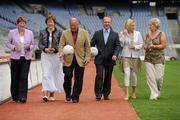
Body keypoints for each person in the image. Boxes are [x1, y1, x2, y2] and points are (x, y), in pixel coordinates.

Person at [59, 17, 91, 103]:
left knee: (79, 79)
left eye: (74, 25)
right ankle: (68, 93)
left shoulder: (85, 33)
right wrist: (61, 54)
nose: (72, 27)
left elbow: (88, 46)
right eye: (71, 25)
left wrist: (88, 57)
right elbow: (61, 45)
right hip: (67, 59)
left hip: (80, 59)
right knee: (67, 76)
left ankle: (75, 96)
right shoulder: (64, 33)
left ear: (78, 24)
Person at [5, 16, 34, 103]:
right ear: (17, 23)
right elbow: (7, 43)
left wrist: (29, 47)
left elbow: (33, 44)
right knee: (15, 77)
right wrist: (14, 48)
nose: (22, 24)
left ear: (25, 24)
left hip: (26, 58)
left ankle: (22, 97)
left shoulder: (30, 33)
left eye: (23, 23)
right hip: (15, 58)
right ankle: (15, 96)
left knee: (23, 77)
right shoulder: (12, 32)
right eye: (20, 23)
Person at [91, 16, 120, 101]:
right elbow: (91, 44)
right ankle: (98, 94)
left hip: (110, 59)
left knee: (108, 76)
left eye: (108, 22)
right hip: (99, 58)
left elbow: (118, 46)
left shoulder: (115, 34)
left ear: (110, 23)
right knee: (99, 75)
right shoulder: (97, 33)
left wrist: (115, 54)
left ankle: (106, 93)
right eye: (105, 22)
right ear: (102, 23)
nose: (106, 23)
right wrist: (92, 53)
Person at [38, 15, 64, 102]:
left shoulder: (59, 32)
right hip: (45, 56)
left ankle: (52, 94)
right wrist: (45, 49)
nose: (50, 23)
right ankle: (45, 94)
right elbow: (40, 44)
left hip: (55, 56)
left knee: (54, 74)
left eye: (51, 21)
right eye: (48, 22)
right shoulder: (42, 32)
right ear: (46, 23)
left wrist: (55, 49)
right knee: (46, 74)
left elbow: (61, 43)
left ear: (54, 22)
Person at [119, 19, 143, 100]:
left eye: (134, 25)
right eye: (131, 25)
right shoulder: (122, 33)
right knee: (127, 73)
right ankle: (126, 93)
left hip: (135, 57)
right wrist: (124, 35)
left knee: (134, 75)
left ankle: (133, 92)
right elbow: (121, 44)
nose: (133, 27)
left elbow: (141, 44)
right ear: (127, 26)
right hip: (125, 56)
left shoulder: (138, 33)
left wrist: (135, 47)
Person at [144, 18, 166, 100]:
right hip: (148, 58)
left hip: (159, 58)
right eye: (149, 25)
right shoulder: (147, 34)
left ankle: (158, 90)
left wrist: (154, 46)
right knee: (150, 77)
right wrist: (146, 47)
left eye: (151, 25)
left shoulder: (161, 34)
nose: (149, 26)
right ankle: (154, 94)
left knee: (158, 78)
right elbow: (145, 46)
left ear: (156, 25)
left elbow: (163, 45)